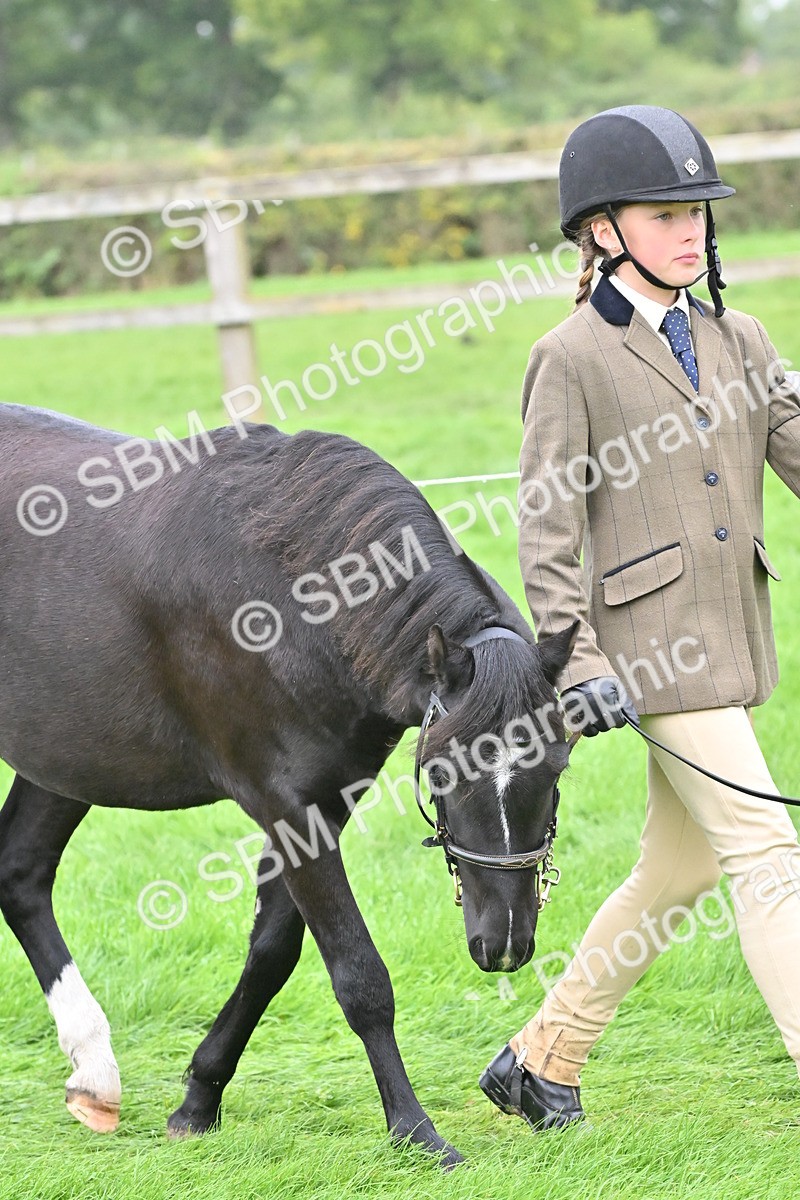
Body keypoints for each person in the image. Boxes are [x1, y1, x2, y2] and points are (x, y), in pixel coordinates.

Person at [478, 104, 800, 1131]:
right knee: (763, 854)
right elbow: (543, 527)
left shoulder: (738, 336)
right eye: (666, 213)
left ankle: (544, 1056)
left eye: (696, 210)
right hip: (645, 653)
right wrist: (576, 669)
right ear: (601, 230)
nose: (690, 230)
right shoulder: (568, 357)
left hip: (732, 638)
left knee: (677, 869)